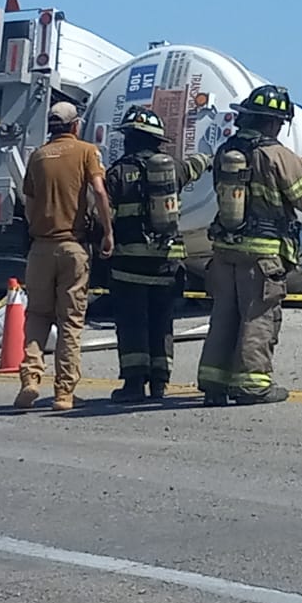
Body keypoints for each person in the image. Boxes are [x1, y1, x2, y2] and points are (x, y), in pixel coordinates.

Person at [196, 84, 302, 406]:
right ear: (271, 122)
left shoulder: (227, 152)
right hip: (263, 256)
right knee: (258, 318)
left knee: (224, 317)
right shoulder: (275, 153)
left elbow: (278, 165)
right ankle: (253, 386)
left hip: (225, 252)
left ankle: (214, 385)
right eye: (279, 123)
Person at [103, 105, 210, 403]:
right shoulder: (173, 168)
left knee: (132, 323)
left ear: (129, 139)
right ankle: (160, 383)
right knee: (162, 323)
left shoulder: (116, 174)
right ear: (156, 141)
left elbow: (103, 214)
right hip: (166, 265)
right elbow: (194, 166)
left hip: (128, 266)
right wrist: (208, 159)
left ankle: (134, 384)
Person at [14, 99, 113, 411]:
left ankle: (30, 378)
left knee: (37, 316)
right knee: (70, 322)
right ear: (75, 126)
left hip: (40, 249)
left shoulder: (37, 156)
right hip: (73, 247)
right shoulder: (86, 152)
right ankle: (64, 393)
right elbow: (99, 191)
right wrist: (108, 232)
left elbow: (29, 203)